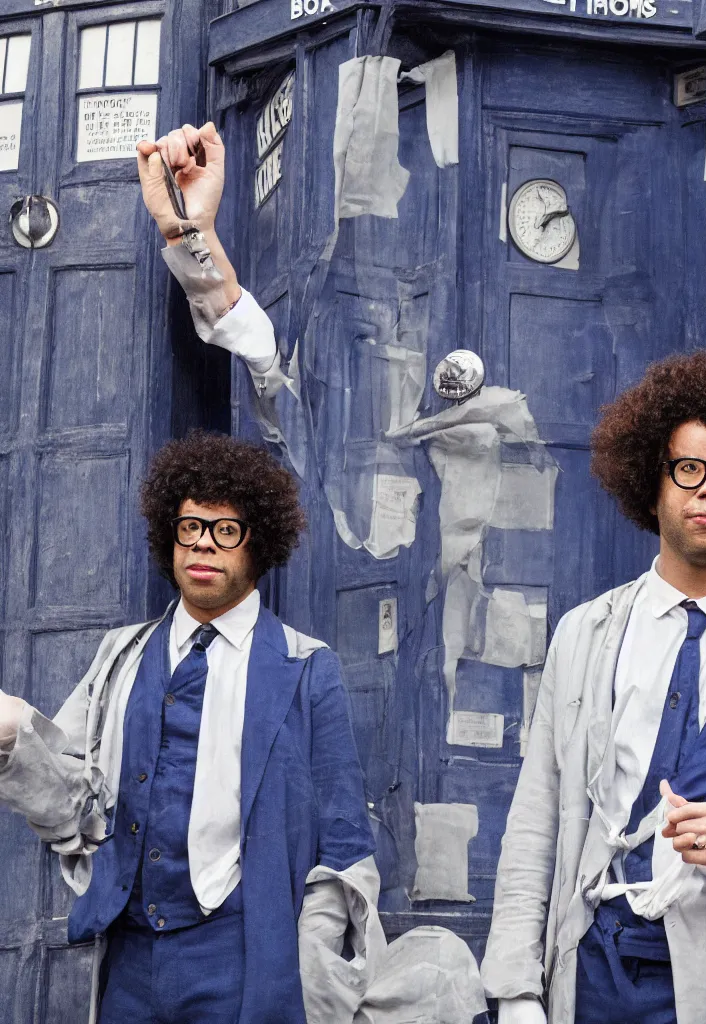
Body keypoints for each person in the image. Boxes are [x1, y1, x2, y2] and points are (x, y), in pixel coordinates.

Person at [0, 122, 487, 1024]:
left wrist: (313, 958)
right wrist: (13, 742)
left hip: (249, 962)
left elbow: (344, 833)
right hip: (134, 965)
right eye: (190, 529)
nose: (203, 547)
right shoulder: (122, 659)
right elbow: (73, 803)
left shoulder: (306, 668)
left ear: (258, 542)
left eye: (226, 531)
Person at [480, 351, 706, 1024]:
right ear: (652, 485)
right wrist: (515, 992)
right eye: (689, 468)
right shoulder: (583, 634)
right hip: (593, 965)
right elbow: (536, 821)